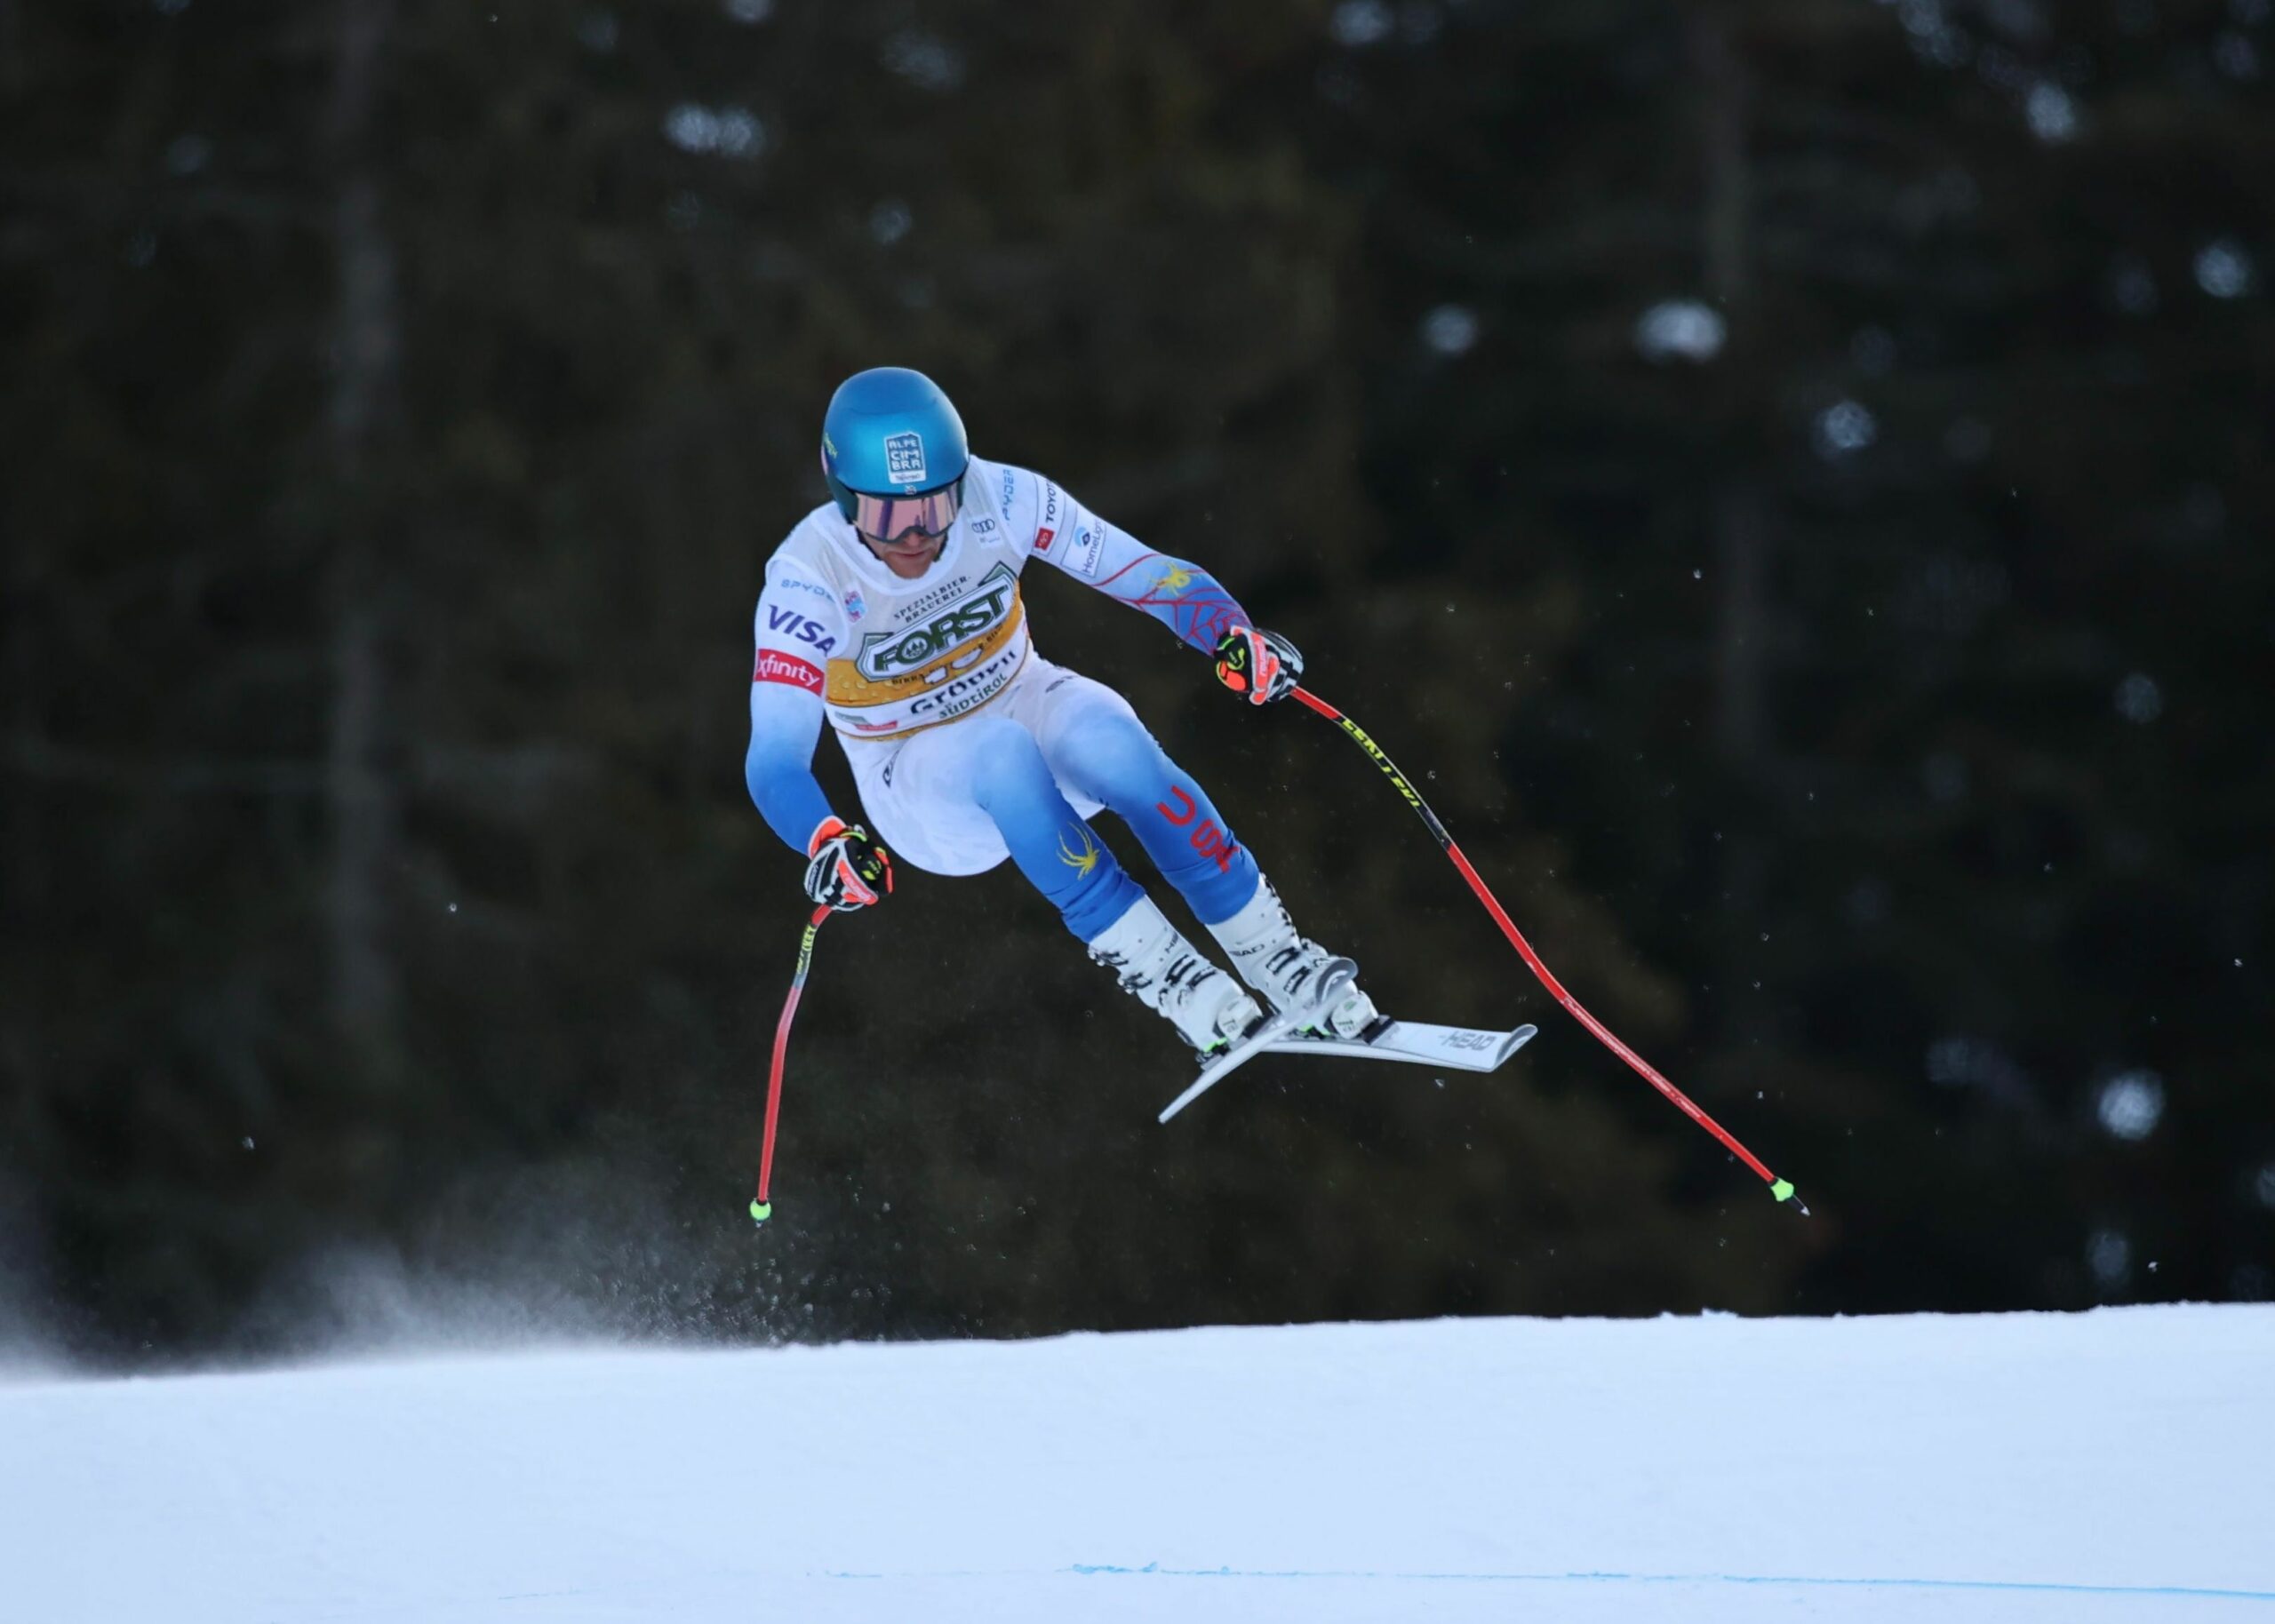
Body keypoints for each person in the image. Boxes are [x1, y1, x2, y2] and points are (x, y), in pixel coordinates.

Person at [744, 366, 1379, 1056]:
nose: (915, 536)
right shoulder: (808, 577)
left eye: (935, 505)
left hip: (1022, 694)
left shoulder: (1003, 496)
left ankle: (1280, 961)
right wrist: (826, 837)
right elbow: (775, 757)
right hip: (916, 775)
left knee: (1115, 741)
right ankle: (1172, 978)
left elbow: (1144, 572)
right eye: (887, 515)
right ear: (842, 495)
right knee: (1000, 753)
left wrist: (1229, 633)